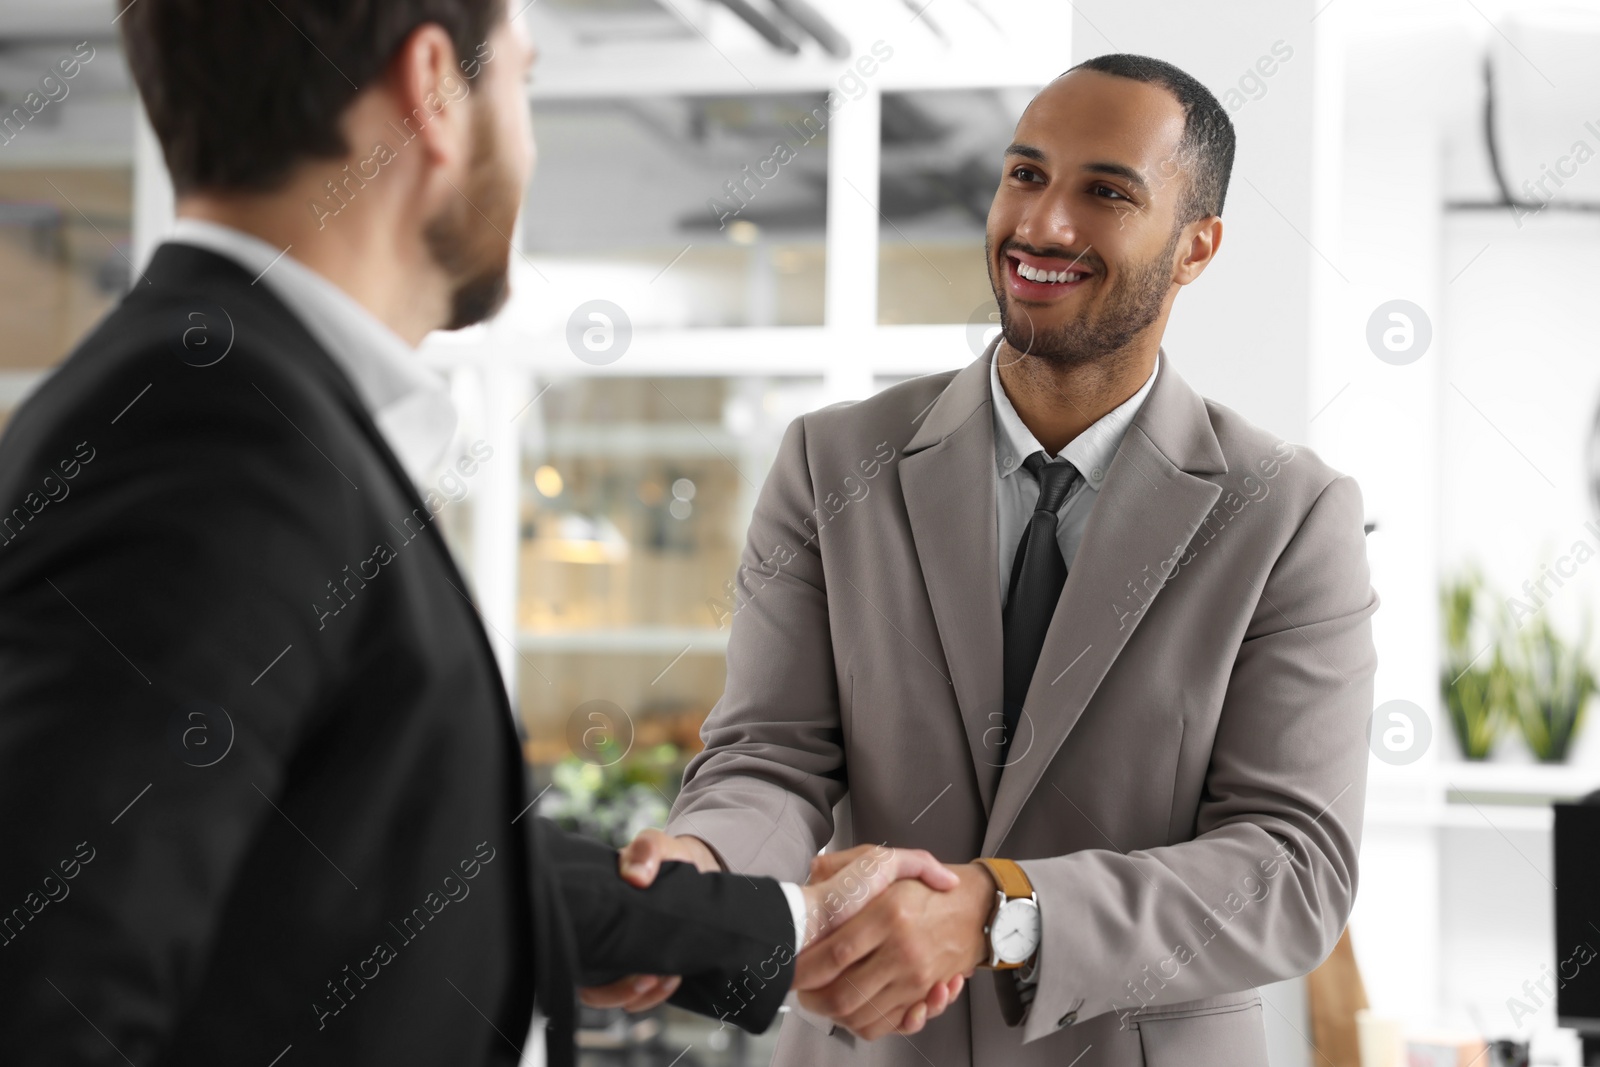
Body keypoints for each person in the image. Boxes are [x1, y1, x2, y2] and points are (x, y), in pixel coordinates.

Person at [0, 2, 964, 1064]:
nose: (532, 137)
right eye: (525, 81)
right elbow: (51, 987)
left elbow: (359, 840)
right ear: (433, 88)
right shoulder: (214, 438)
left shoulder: (245, 400)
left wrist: (778, 921)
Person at [616, 54, 1381, 1066]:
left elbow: (1290, 868)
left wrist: (999, 911)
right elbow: (773, 754)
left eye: (1105, 191)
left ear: (1196, 247)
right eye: (1025, 174)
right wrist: (703, 862)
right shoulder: (831, 461)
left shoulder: (1287, 514)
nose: (1044, 225)